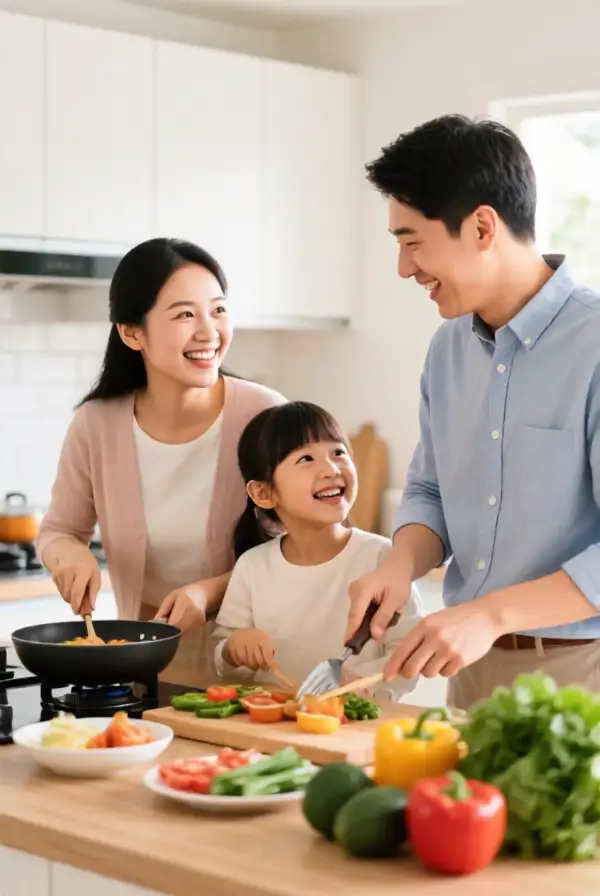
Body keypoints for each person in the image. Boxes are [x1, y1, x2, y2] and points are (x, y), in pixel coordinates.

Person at [346, 114, 600, 709]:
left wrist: (489, 615)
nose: (405, 268)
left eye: (412, 242)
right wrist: (399, 566)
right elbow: (431, 490)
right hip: (473, 671)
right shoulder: (448, 348)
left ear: (482, 226)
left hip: (583, 675)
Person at [37, 237, 285, 688]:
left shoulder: (266, 416)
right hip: (143, 668)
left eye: (218, 310)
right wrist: (69, 559)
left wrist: (208, 592)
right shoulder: (97, 423)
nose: (209, 331)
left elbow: (302, 549)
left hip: (255, 665)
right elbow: (59, 532)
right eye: (185, 314)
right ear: (132, 333)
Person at [212, 401, 424, 701]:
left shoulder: (383, 559)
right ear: (264, 493)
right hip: (273, 723)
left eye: (338, 452)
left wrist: (357, 682)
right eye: (306, 458)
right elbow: (222, 657)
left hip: (359, 725)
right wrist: (235, 648)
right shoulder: (253, 566)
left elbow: (410, 651)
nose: (331, 469)